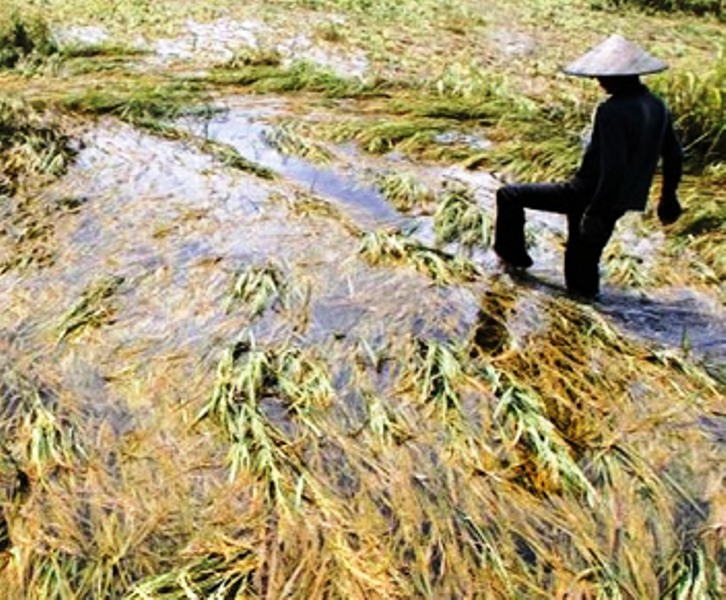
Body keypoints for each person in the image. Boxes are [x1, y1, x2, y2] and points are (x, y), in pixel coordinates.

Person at [493, 34, 684, 299]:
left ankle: (514, 261)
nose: (598, 81)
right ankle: (584, 309)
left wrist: (594, 212)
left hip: (588, 195)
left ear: (621, 76)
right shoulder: (656, 105)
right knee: (583, 261)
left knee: (509, 195)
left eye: (603, 76)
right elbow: (674, 154)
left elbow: (613, 167)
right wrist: (668, 197)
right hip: (622, 199)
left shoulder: (612, 110)